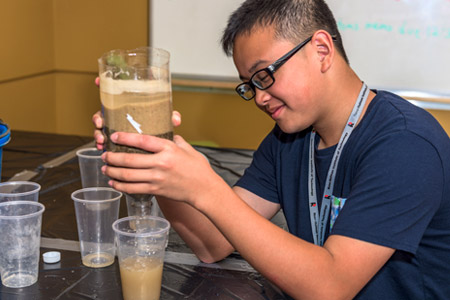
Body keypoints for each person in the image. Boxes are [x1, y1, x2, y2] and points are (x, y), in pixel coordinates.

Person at [93, 0, 450, 298]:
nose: (260, 97)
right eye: (250, 85)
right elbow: (212, 243)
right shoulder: (289, 139)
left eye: (264, 75)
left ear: (321, 50)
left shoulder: (405, 144)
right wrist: (159, 167)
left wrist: (209, 189)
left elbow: (331, 286)